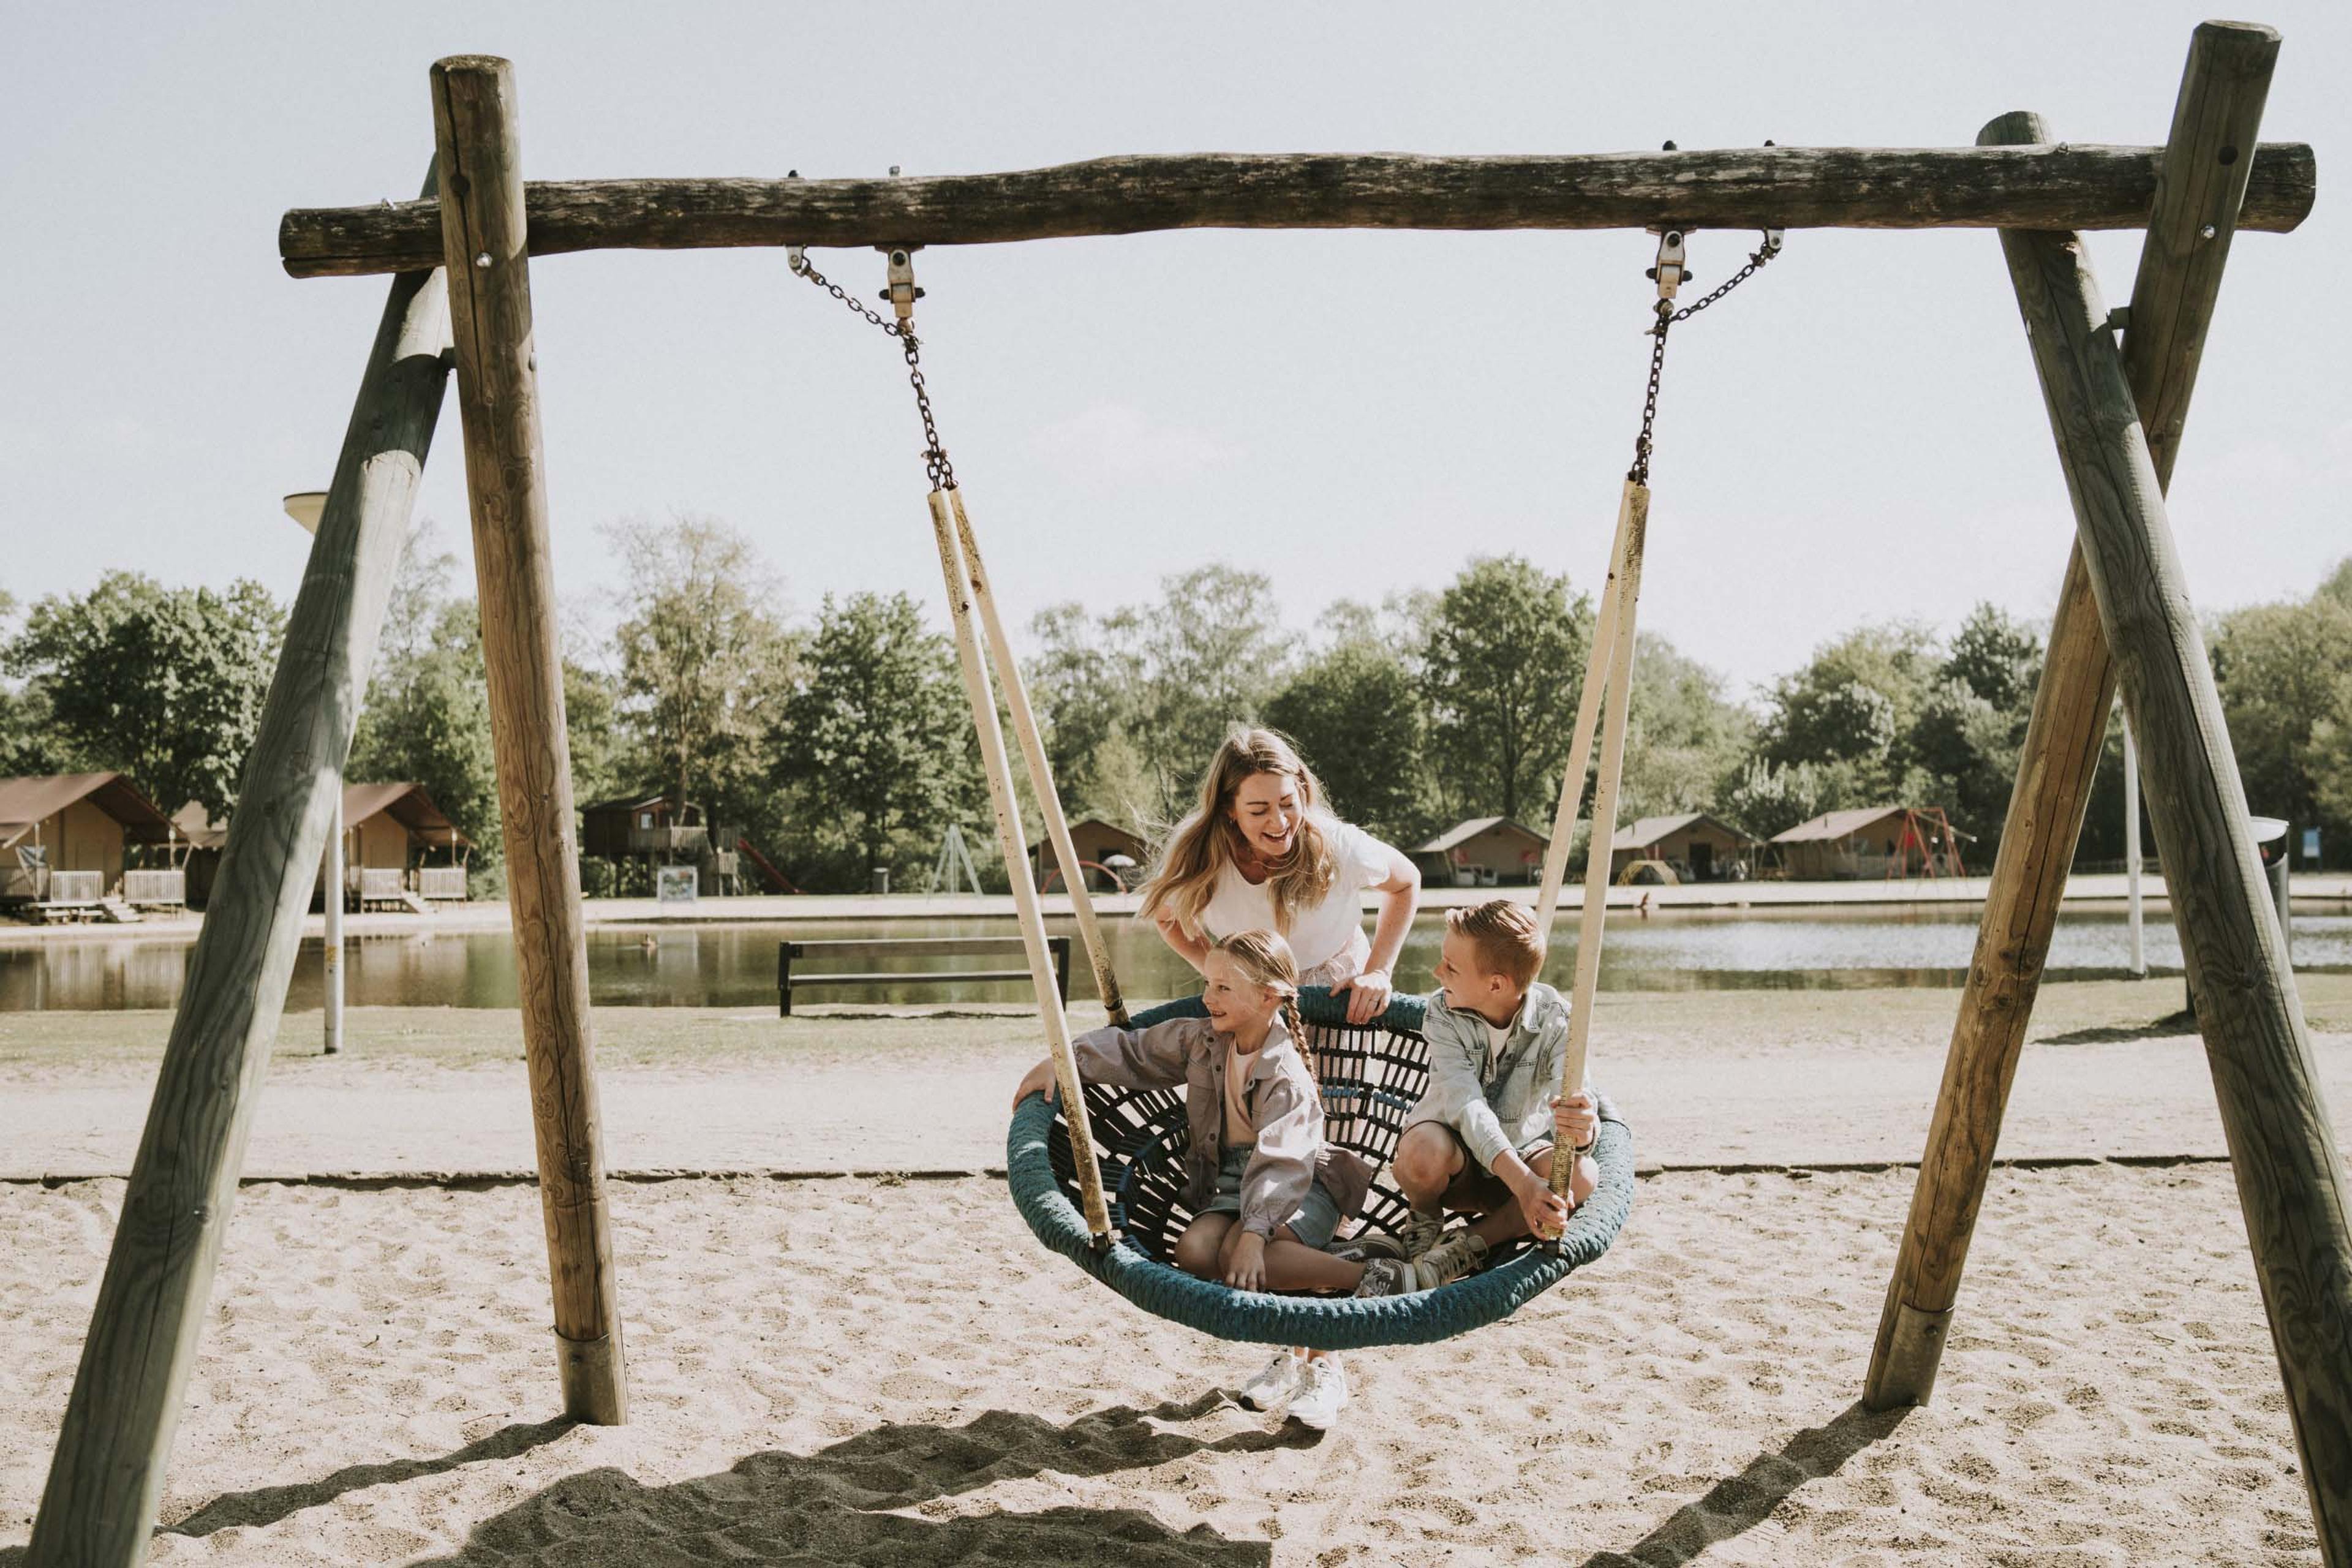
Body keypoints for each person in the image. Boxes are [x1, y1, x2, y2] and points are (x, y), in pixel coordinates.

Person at [1012, 931, 1412, 1430]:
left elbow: (1285, 1161)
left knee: (1246, 1256)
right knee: (1195, 1253)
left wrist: (1252, 1233)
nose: (1208, 997)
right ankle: (1337, 1266)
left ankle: (1369, 1283)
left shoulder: (1286, 1074)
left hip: (1305, 1181)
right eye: (1208, 983)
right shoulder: (1204, 1039)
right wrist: (1066, 1062)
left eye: (1224, 987)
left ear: (1269, 996)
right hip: (1231, 1178)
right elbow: (1136, 1051)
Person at [1382, 900, 1602, 1289]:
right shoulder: (1442, 1013)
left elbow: (1575, 1101)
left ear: (1496, 984)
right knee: (1419, 1151)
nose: (1436, 972)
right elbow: (1468, 1108)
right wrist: (1523, 1184)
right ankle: (1425, 1219)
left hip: (1522, 1155)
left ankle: (1474, 1241)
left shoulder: (1558, 1018)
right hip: (1455, 1164)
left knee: (1580, 1175)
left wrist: (1583, 1128)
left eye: (1451, 966)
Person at [1137, 727, 1420, 1025]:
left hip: (1338, 989)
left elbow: (1407, 882)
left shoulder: (1338, 845)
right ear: (1229, 809)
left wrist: (1378, 971)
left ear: (1301, 790)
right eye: (1259, 811)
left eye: (1287, 803)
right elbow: (1167, 918)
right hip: (1251, 993)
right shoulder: (1199, 855)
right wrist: (1214, 969)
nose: (1280, 822)